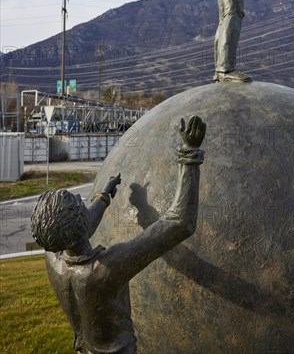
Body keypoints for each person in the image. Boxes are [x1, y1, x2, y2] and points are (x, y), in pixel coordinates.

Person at [31, 115, 206, 354]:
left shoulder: (54, 258)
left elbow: (78, 230)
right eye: (80, 204)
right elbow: (180, 223)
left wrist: (103, 197)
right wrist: (190, 154)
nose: (84, 203)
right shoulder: (107, 269)